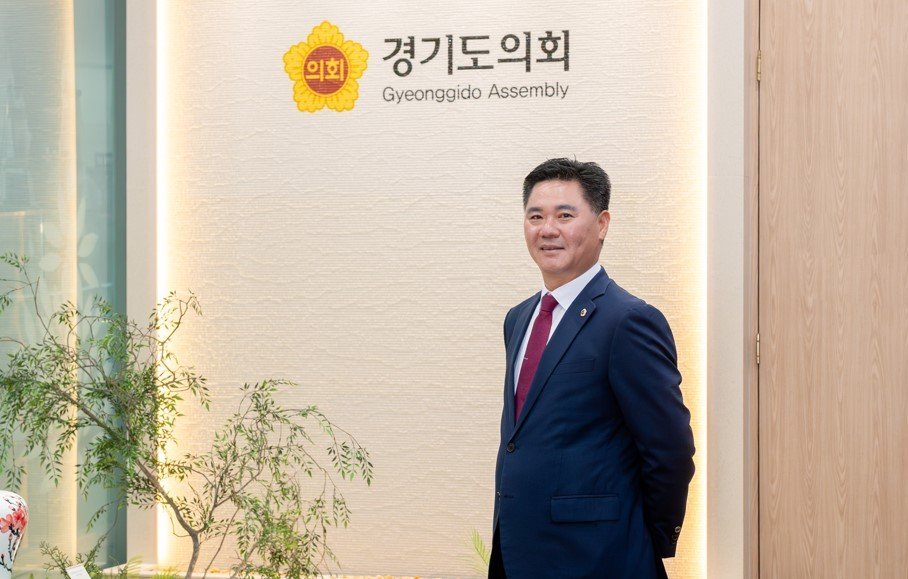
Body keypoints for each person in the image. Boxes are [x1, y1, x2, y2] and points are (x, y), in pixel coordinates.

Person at [489, 158, 696, 578]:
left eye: (565, 215)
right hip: (518, 551)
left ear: (602, 224)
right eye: (535, 216)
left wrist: (642, 539)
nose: (548, 229)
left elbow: (669, 451)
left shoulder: (628, 321)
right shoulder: (519, 318)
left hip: (599, 557)